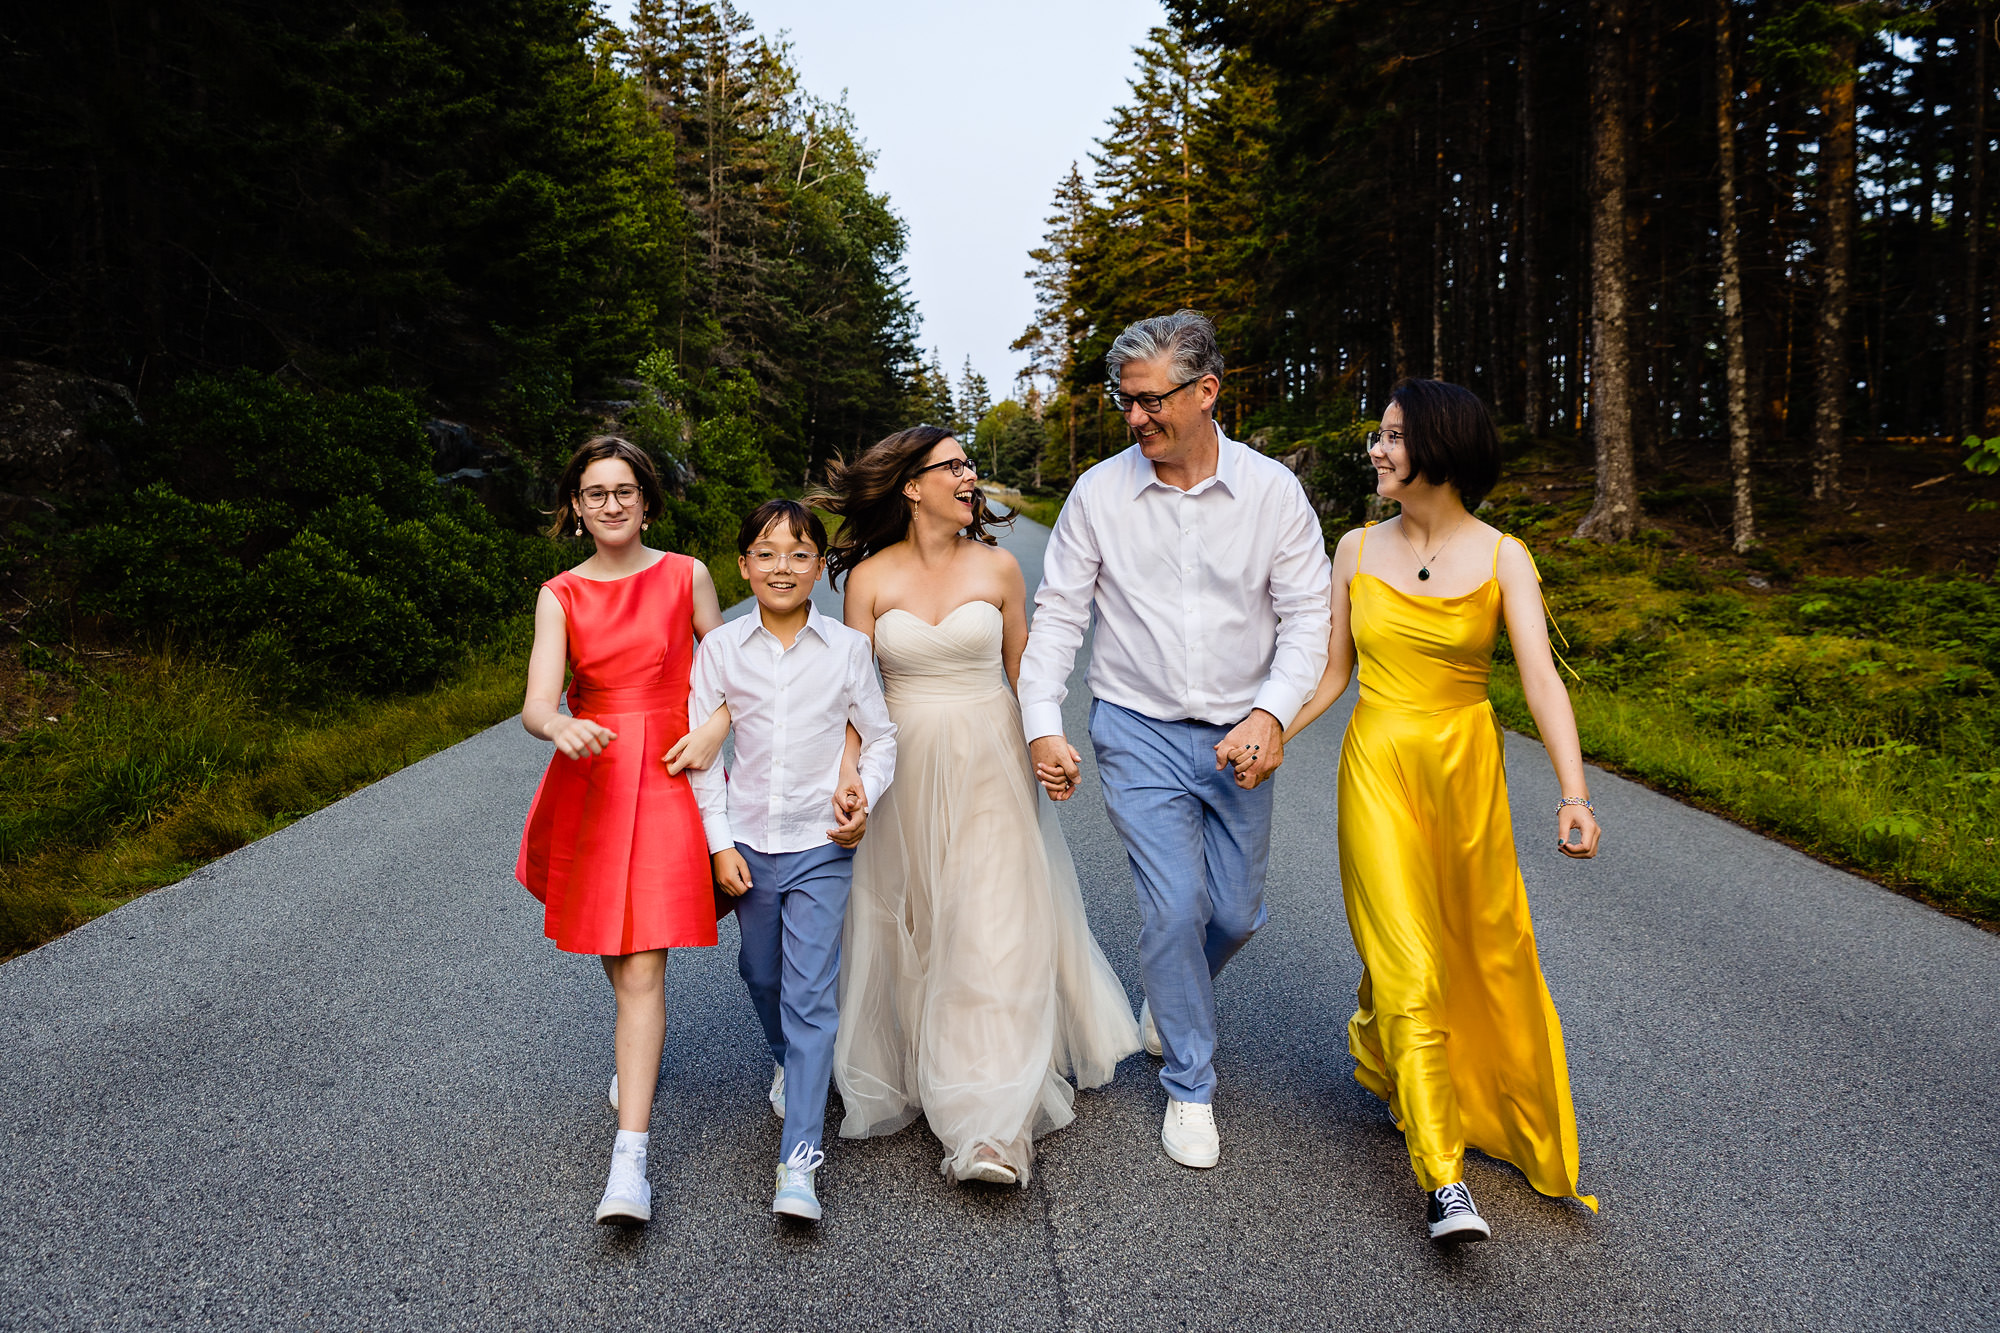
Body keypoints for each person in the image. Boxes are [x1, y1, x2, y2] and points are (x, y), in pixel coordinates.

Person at [1286, 378, 1600, 1244]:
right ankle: (1444, 1177)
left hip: (1467, 773)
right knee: (1408, 958)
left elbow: (1540, 679)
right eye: (1379, 435)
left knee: (1482, 949)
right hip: (1378, 767)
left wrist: (1574, 795)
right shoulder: (1352, 547)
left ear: (1441, 449)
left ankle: (1399, 1052)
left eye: (1392, 437)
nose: (1377, 451)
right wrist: (1270, 728)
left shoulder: (1504, 557)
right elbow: (1330, 671)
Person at [1020, 309, 1332, 1171]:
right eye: (1126, 401)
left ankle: (1173, 988)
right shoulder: (1097, 494)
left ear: (1207, 391)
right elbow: (1056, 621)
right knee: (1173, 906)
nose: (1136, 418)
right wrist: (1042, 723)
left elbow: (1309, 620)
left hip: (1242, 734)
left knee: (1233, 912)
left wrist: (1271, 714)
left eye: (1153, 400)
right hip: (1137, 729)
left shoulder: (1272, 493)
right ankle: (1191, 1086)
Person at [821, 425, 1140, 1186]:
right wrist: (848, 777)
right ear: (911, 484)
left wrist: (1047, 741)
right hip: (900, 766)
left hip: (991, 762)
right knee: (913, 917)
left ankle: (988, 1128)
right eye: (954, 466)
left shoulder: (998, 567)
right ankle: (909, 1059)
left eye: (970, 465)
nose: (970, 477)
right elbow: (849, 697)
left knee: (988, 925)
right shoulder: (867, 579)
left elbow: (1027, 670)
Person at [516, 436, 732, 1227]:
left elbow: (737, 669)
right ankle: (635, 1054)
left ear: (647, 498)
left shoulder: (686, 574)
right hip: (597, 779)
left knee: (645, 965)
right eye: (594, 491)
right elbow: (538, 700)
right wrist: (559, 726)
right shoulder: (560, 594)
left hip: (672, 772)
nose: (611, 502)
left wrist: (715, 727)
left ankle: (630, 1159)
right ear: (576, 506)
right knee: (619, 957)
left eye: (625, 489)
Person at [685, 499, 897, 1224]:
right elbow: (704, 762)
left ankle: (799, 1159)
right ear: (743, 566)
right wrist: (717, 843)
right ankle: (788, 1056)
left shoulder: (845, 650)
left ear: (819, 569)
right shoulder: (719, 652)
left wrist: (860, 791)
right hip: (747, 841)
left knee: (811, 995)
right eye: (767, 553)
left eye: (799, 553)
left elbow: (883, 737)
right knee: (760, 971)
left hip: (819, 845)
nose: (782, 566)